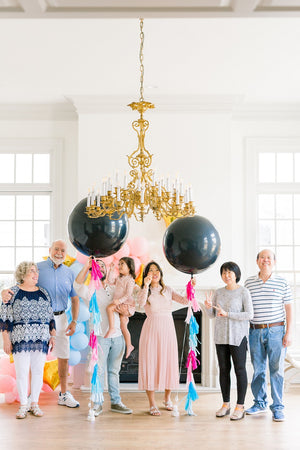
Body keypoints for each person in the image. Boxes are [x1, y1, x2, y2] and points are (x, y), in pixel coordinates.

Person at [1, 240, 80, 408]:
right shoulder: (38, 268)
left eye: (62, 250)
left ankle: (64, 394)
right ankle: (29, 396)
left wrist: (74, 320)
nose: (59, 253)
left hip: (62, 318)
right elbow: (23, 284)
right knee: (33, 356)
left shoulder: (69, 272)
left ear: (66, 253)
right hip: (40, 321)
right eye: (56, 249)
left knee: (63, 357)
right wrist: (4, 291)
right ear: (50, 250)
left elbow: (74, 298)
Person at [74, 256, 132, 416]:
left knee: (114, 371)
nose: (101, 267)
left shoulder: (115, 288)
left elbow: (128, 303)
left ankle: (116, 402)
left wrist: (128, 311)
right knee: (98, 371)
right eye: (96, 265)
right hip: (99, 337)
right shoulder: (90, 291)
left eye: (103, 265)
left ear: (107, 270)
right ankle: (97, 403)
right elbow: (77, 285)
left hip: (118, 336)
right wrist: (86, 266)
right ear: (93, 270)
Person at [138, 261, 196, 416]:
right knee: (151, 363)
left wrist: (191, 287)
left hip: (168, 329)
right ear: (146, 275)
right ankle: (152, 403)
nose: (154, 272)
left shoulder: (168, 290)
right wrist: (145, 286)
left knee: (168, 361)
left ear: (161, 273)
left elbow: (185, 301)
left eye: (157, 270)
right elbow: (140, 303)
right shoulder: (146, 291)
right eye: (150, 270)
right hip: (151, 329)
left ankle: (167, 398)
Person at [0, 262, 56, 419]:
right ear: (22, 274)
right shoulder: (12, 292)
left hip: (41, 339)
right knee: (22, 373)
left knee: (38, 372)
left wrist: (53, 335)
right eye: (32, 271)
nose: (36, 274)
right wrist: (6, 340)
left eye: (36, 271)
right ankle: (23, 405)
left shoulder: (44, 292)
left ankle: (34, 404)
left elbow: (50, 316)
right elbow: (4, 317)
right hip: (20, 340)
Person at [245, 249, 293, 422]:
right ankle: (259, 403)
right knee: (258, 370)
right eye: (262, 258)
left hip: (276, 331)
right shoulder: (249, 282)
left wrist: (288, 333)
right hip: (254, 331)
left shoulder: (282, 282)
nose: (265, 260)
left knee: (276, 371)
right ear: (257, 261)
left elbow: (289, 309)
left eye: (269, 258)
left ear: (274, 261)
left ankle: (278, 408)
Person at [204, 261, 253, 421]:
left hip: (238, 337)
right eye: (224, 272)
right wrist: (207, 307)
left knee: (240, 369)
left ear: (236, 274)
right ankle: (226, 404)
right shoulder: (218, 292)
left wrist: (228, 314)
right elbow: (212, 315)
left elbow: (249, 315)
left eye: (230, 272)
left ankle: (240, 406)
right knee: (224, 369)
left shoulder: (243, 292)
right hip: (220, 336)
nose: (227, 275)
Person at [104, 257, 136, 359]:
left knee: (109, 308)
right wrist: (112, 270)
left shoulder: (130, 280)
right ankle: (129, 345)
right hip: (121, 305)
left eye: (122, 264)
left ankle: (112, 328)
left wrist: (119, 301)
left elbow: (128, 294)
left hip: (125, 305)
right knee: (123, 326)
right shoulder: (119, 278)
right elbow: (109, 281)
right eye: (119, 264)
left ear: (129, 267)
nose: (120, 266)